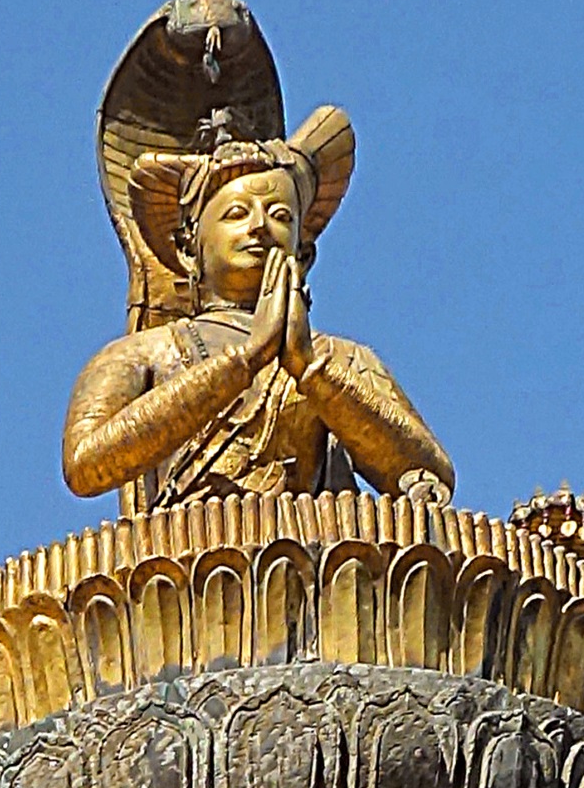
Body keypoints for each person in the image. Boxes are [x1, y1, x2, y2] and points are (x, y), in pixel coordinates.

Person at [62, 124, 453, 515]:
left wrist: (310, 368)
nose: (260, 226)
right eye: (236, 213)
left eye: (280, 215)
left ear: (303, 254)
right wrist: (246, 359)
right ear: (187, 249)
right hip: (192, 553)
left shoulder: (340, 359)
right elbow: (84, 465)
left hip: (309, 552)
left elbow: (429, 471)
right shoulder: (147, 352)